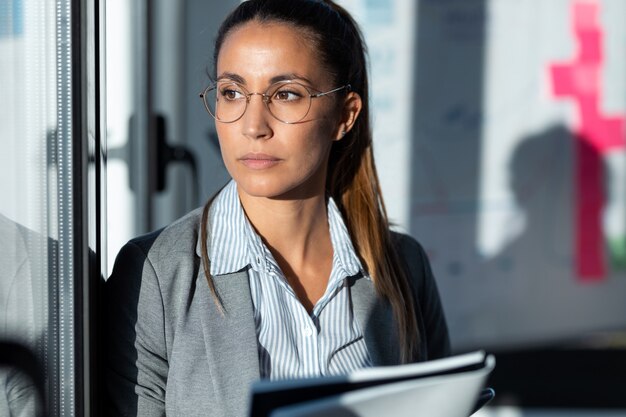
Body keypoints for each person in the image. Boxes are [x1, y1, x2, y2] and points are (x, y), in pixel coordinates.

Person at [104, 0, 450, 416]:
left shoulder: (402, 265)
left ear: (345, 115)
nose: (253, 126)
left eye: (286, 94)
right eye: (232, 93)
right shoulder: (156, 275)